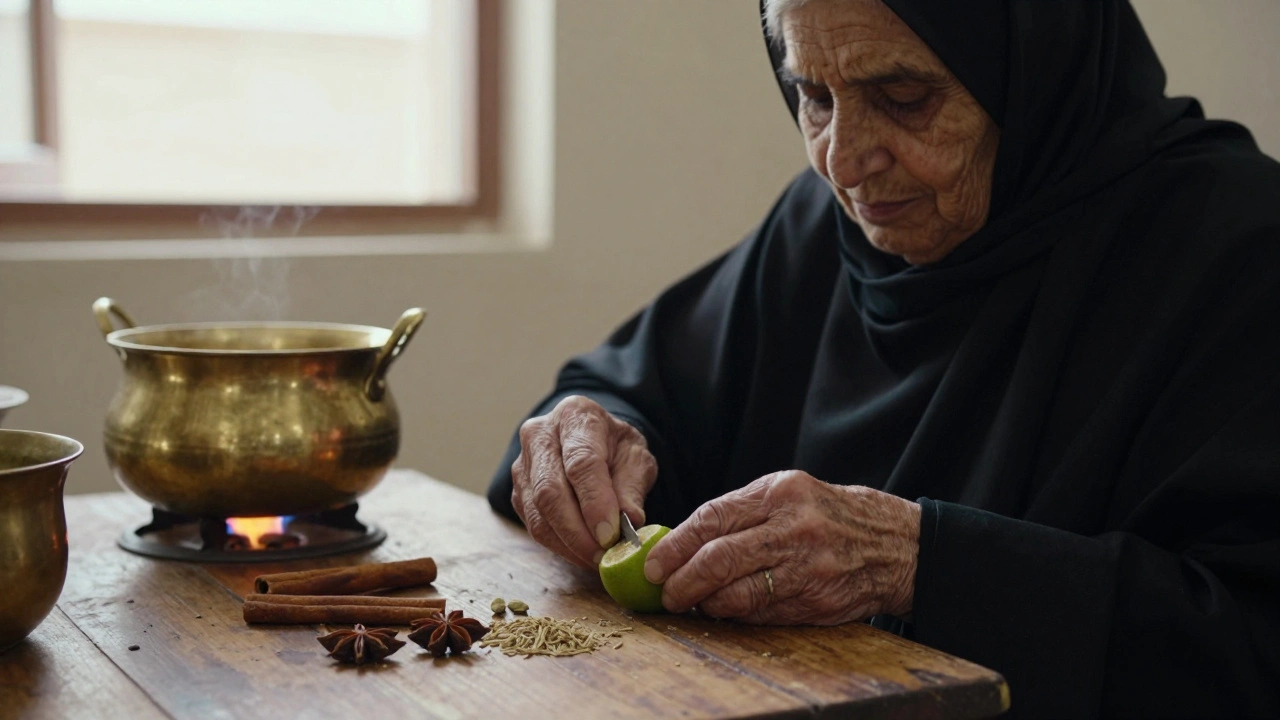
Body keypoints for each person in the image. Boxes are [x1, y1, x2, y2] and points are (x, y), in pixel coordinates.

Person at [488, 0, 1280, 716]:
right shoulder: (828, 230)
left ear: (1032, 74)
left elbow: (1249, 644)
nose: (841, 159)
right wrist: (589, 439)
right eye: (815, 97)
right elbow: (632, 393)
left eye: (905, 99)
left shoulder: (1239, 252)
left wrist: (920, 564)